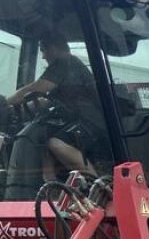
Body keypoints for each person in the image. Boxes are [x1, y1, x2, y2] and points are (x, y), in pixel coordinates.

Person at [4, 32, 103, 198]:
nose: (43, 56)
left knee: (56, 143)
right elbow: (46, 101)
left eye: (43, 50)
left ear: (54, 48)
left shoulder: (65, 61)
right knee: (42, 140)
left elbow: (36, 88)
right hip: (77, 119)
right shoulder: (69, 73)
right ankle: (51, 191)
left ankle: (98, 188)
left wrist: (5, 103)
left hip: (90, 122)